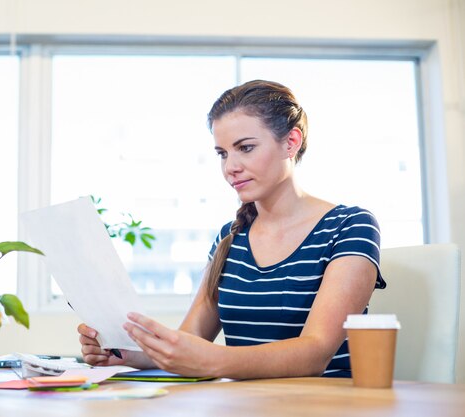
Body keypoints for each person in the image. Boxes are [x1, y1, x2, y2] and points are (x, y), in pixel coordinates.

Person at [78, 79, 386, 379]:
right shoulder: (231, 237)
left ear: (291, 142)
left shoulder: (350, 226)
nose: (230, 167)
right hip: (244, 406)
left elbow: (315, 352)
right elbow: (190, 340)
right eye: (223, 153)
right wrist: (125, 354)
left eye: (246, 148)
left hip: (326, 405)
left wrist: (213, 360)